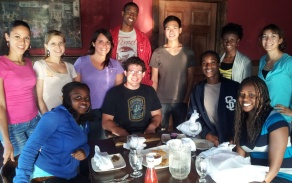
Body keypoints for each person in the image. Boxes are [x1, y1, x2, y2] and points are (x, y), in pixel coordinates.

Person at [14, 82, 91, 183]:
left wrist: (85, 150)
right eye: (78, 97)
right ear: (67, 99)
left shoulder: (83, 121)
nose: (84, 102)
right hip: (47, 176)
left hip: (68, 175)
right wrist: (21, 180)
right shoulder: (54, 117)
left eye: (87, 98)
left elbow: (85, 143)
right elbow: (30, 149)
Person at [234, 76, 292, 183]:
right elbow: (240, 160)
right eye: (242, 94)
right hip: (257, 174)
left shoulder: (276, 121)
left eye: (251, 95)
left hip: (282, 175)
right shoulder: (241, 121)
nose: (245, 99)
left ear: (262, 96)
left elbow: (274, 170)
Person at [0, 20, 40, 164]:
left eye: (26, 37)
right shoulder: (1, 64)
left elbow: (33, 94)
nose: (22, 41)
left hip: (35, 120)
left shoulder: (28, 62)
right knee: (23, 166)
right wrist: (6, 141)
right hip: (13, 126)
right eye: (17, 36)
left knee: (41, 161)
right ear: (7, 37)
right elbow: (0, 105)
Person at [74, 29, 124, 140]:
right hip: (88, 112)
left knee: (108, 145)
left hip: (109, 112)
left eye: (108, 42)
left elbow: (118, 93)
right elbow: (75, 90)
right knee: (91, 145)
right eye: (100, 41)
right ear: (93, 43)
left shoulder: (115, 65)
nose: (104, 45)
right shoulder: (81, 62)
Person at [150, 15, 195, 130]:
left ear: (180, 30)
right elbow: (154, 79)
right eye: (168, 28)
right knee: (161, 132)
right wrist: (154, 100)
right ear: (164, 31)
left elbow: (191, 78)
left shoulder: (188, 52)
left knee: (180, 132)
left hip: (181, 101)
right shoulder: (157, 53)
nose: (171, 31)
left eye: (174, 28)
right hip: (161, 101)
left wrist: (186, 98)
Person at [188, 50, 239, 146]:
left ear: (219, 65)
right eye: (204, 63)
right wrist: (207, 135)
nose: (208, 66)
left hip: (232, 141)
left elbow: (242, 115)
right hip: (209, 140)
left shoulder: (233, 87)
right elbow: (193, 116)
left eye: (212, 62)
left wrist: (236, 135)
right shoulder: (198, 89)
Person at [102, 57, 162, 136]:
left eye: (139, 72)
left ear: (143, 74)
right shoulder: (113, 93)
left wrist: (152, 127)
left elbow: (157, 115)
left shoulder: (150, 91)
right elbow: (106, 122)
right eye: (131, 71)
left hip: (146, 134)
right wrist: (120, 132)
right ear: (125, 73)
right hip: (122, 136)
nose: (135, 75)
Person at [34, 30, 77, 114]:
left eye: (60, 43)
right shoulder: (40, 65)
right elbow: (38, 98)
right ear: (46, 46)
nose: (58, 46)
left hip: (68, 114)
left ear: (64, 45)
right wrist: (47, 117)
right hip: (49, 115)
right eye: (53, 43)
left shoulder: (70, 67)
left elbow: (74, 94)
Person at [110, 2, 152, 86]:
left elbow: (146, 64)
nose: (131, 15)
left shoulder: (143, 38)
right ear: (123, 13)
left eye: (135, 13)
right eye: (129, 12)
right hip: (115, 77)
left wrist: (146, 82)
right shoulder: (111, 35)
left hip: (134, 78)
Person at [258, 24, 292, 124]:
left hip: (283, 118)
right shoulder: (262, 60)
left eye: (273, 36)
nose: (268, 40)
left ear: (280, 40)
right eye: (265, 36)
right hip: (264, 116)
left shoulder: (288, 62)